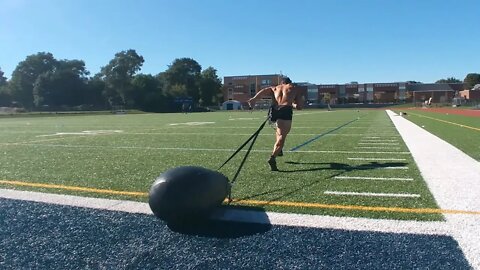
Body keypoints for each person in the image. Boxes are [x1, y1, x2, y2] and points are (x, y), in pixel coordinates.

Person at [247, 77, 304, 171]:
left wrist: (254, 99)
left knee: (279, 130)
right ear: (290, 82)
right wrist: (293, 104)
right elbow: (299, 107)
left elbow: (264, 90)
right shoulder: (294, 87)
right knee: (282, 135)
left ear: (281, 83)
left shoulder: (275, 88)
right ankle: (272, 157)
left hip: (275, 110)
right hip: (285, 110)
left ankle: (279, 150)